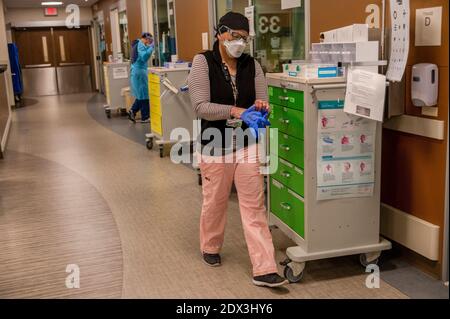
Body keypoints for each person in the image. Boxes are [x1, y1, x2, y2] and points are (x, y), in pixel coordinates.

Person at [188, 12, 288, 288]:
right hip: (214, 143)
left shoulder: (251, 65)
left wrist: (261, 109)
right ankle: (210, 246)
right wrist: (236, 111)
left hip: (246, 144)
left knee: (254, 206)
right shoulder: (203, 62)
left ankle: (264, 267)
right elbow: (200, 106)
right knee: (215, 201)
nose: (240, 43)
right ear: (220, 33)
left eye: (245, 38)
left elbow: (262, 100)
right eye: (235, 36)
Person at [128, 32, 154, 123]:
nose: (149, 42)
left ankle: (132, 111)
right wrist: (151, 48)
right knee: (144, 95)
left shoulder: (138, 44)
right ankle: (145, 117)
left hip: (137, 72)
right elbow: (144, 57)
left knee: (141, 95)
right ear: (146, 39)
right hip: (139, 73)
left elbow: (142, 53)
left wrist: (148, 47)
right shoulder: (140, 44)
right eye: (149, 40)